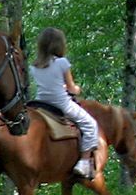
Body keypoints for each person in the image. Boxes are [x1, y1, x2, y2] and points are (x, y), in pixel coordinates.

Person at [30, 27, 99, 177]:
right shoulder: (62, 63)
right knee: (90, 124)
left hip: (40, 103)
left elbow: (48, 84)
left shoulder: (34, 66)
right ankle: (84, 162)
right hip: (61, 104)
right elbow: (72, 88)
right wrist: (77, 89)